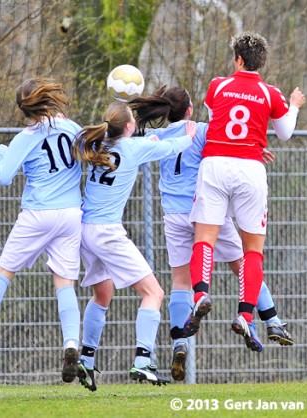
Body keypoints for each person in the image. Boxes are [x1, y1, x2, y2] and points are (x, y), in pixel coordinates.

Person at [132, 86, 294, 382]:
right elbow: (229, 146)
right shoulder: (203, 130)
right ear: (190, 109)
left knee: (180, 281)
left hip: (173, 214)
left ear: (167, 112)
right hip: (205, 211)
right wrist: (256, 151)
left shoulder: (161, 136)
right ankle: (271, 320)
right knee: (244, 265)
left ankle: (180, 342)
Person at [0, 77, 84, 384]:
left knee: (3, 273)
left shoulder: (25, 137)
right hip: (71, 214)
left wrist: (1, 150)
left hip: (38, 213)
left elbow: (3, 177)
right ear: (48, 102)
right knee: (64, 284)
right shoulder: (72, 128)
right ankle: (71, 343)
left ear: (23, 109)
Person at [183, 32, 305, 353]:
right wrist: (292, 106)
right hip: (250, 170)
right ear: (261, 62)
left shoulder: (217, 85)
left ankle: (201, 295)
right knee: (253, 251)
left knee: (204, 239)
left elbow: (217, 123)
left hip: (216, 165)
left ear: (238, 59)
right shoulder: (270, 93)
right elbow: (285, 133)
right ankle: (246, 315)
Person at [72, 100, 197, 392]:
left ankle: (86, 359)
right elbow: (173, 147)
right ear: (130, 126)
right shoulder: (133, 148)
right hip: (107, 233)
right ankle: (143, 360)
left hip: (85, 230)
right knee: (154, 292)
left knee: (102, 294)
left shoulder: (99, 144)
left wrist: (146, 138)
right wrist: (189, 133)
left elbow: (136, 144)